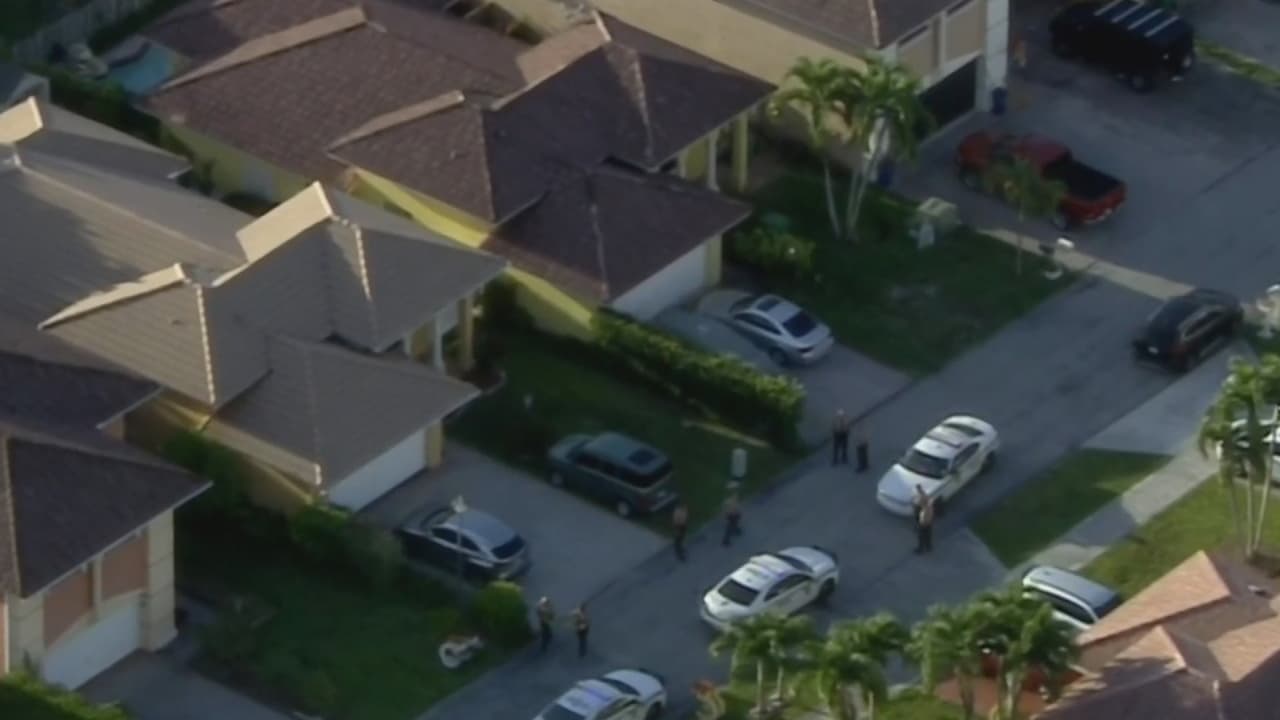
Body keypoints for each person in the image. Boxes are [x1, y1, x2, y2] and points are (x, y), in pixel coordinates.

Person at [913, 485, 935, 554]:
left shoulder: (924, 509)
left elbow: (923, 517)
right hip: (929, 523)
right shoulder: (926, 498)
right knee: (928, 535)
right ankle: (929, 547)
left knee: (921, 536)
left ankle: (920, 549)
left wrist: (921, 523)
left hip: (924, 523)